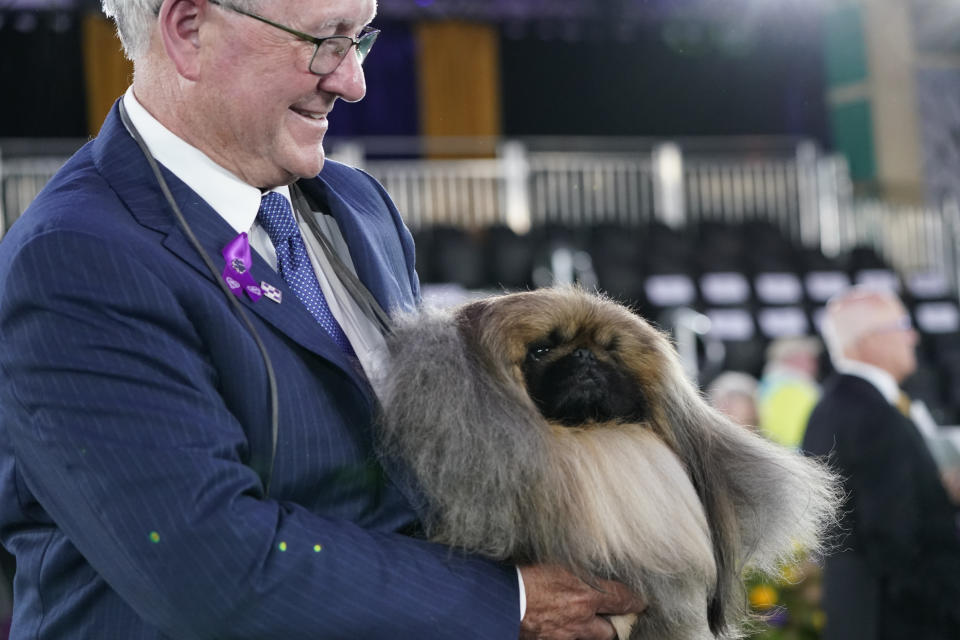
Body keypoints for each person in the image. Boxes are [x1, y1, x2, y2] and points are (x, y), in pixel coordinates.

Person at [0, 0, 644, 637]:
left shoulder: (361, 206)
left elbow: (412, 486)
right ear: (188, 31)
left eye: (358, 40)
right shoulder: (73, 257)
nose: (352, 81)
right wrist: (513, 602)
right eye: (323, 41)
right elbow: (216, 568)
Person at [802, 286, 960, 640]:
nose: (912, 335)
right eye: (901, 324)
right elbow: (890, 534)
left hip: (857, 611)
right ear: (868, 340)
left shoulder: (830, 407)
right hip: (900, 619)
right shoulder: (872, 413)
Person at [756, 336, 821, 448]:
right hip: (800, 455)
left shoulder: (770, 384)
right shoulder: (793, 388)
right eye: (808, 358)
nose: (814, 364)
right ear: (791, 358)